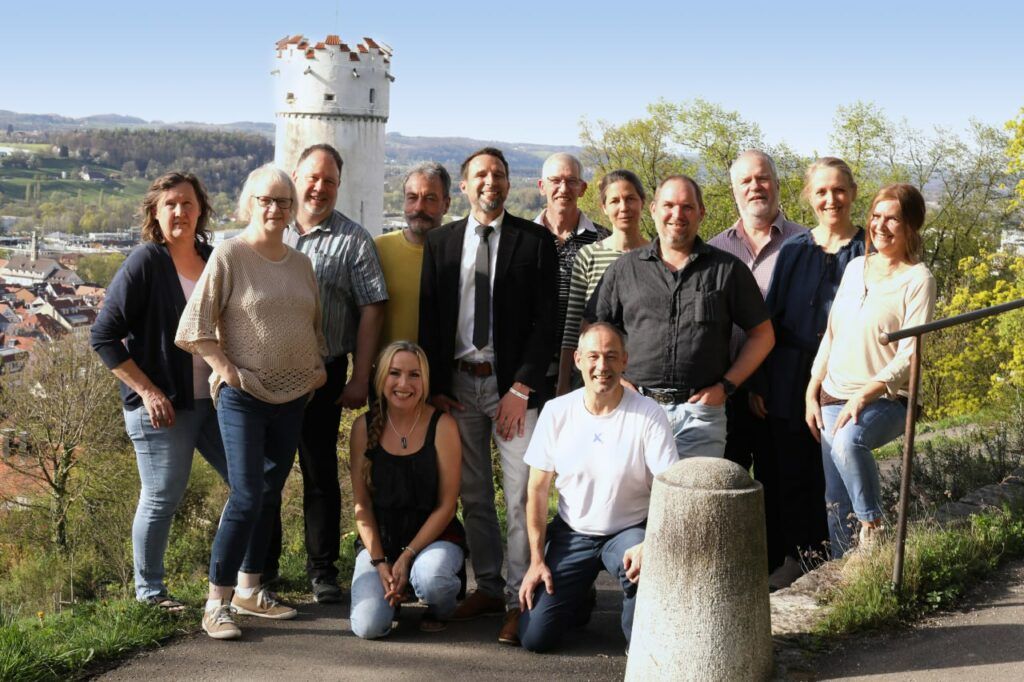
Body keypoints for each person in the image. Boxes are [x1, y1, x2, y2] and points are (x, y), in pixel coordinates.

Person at [176, 164, 327, 640]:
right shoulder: (230, 255)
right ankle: (216, 603)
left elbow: (312, 325)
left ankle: (249, 589)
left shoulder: (301, 264)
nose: (274, 208)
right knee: (245, 495)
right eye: (265, 199)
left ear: (292, 208)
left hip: (293, 396)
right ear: (249, 203)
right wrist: (226, 370)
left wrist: (316, 368)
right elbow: (195, 326)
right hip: (242, 397)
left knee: (268, 494)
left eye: (283, 201)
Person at [418, 147, 558, 645]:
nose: (490, 181)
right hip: (458, 387)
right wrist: (435, 388)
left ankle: (520, 600)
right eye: (480, 174)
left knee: (522, 495)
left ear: (508, 183)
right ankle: (489, 588)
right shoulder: (441, 242)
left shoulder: (535, 241)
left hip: (513, 388)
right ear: (464, 186)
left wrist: (521, 387)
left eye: (498, 174)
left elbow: (549, 323)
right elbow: (429, 317)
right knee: (473, 493)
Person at [90, 172, 228, 611]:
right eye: (170, 204)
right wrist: (149, 392)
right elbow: (103, 337)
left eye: (187, 203)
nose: (180, 211)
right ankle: (150, 594)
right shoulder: (146, 262)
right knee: (162, 495)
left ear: (201, 210)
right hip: (164, 406)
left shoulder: (214, 259)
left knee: (251, 484)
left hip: (215, 401)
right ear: (155, 211)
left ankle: (233, 579)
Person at [265, 143, 388, 603]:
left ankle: (322, 572)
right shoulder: (269, 229)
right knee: (268, 474)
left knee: (319, 472)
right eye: (312, 178)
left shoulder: (354, 240)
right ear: (295, 177)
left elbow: (373, 307)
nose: (319, 187)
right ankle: (263, 571)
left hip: (325, 372)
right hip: (267, 375)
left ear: (339, 186)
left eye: (329, 181)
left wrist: (360, 377)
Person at [517, 323, 678, 652]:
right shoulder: (557, 412)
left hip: (630, 530)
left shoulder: (649, 414)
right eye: (593, 356)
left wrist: (651, 543)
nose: (602, 366)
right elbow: (536, 490)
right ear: (577, 359)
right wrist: (536, 561)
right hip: (573, 532)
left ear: (625, 361)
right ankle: (578, 596)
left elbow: (670, 488)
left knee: (643, 572)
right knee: (535, 638)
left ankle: (640, 645)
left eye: (611, 356)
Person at [588, 175, 774, 458]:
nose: (677, 214)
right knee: (633, 489)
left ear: (701, 213)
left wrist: (726, 387)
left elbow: (763, 335)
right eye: (669, 205)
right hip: (632, 408)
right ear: (654, 210)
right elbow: (593, 331)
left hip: (700, 415)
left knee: (697, 489)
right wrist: (618, 382)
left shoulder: (727, 269)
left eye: (687, 207)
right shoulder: (624, 270)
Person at [805, 183, 936, 558]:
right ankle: (846, 574)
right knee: (835, 499)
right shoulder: (855, 267)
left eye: (892, 219)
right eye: (876, 216)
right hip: (832, 394)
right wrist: (812, 387)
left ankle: (873, 526)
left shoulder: (919, 279)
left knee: (849, 442)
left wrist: (866, 393)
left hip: (887, 399)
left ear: (911, 226)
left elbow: (909, 355)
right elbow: (832, 333)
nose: (880, 225)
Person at [762, 157, 864, 584]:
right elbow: (770, 318)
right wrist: (761, 382)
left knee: (838, 470)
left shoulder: (868, 250)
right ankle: (799, 559)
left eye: (838, 190)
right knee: (792, 471)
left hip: (843, 375)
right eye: (821, 191)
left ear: (853, 193)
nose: (830, 199)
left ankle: (846, 558)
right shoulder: (794, 249)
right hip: (789, 374)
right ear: (809, 196)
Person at [707, 150, 807, 579]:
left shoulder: (803, 243)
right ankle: (727, 570)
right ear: (734, 191)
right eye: (745, 181)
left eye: (762, 178)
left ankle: (778, 571)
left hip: (779, 390)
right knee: (723, 482)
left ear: (777, 184)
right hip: (723, 388)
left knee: (779, 481)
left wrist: (764, 383)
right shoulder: (714, 248)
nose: (755, 187)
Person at [348, 342, 465, 638]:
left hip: (433, 541)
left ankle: (439, 605)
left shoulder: (443, 425)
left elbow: (447, 505)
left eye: (414, 375)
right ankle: (393, 593)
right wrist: (380, 563)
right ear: (381, 378)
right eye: (395, 373)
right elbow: (362, 506)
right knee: (368, 626)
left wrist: (407, 556)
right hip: (380, 545)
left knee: (431, 579)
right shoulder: (363, 427)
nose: (404, 384)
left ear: (425, 381)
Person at [556, 169, 648, 397]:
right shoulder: (589, 256)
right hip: (595, 377)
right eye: (615, 201)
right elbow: (573, 325)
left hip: (643, 379)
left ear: (643, 202)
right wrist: (563, 384)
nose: (624, 207)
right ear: (604, 207)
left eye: (630, 199)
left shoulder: (657, 256)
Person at [534, 153, 609, 401]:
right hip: (532, 367)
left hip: (586, 371)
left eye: (571, 181)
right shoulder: (524, 239)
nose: (563, 188)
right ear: (542, 186)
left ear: (583, 188)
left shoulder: (603, 240)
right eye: (555, 180)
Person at [375, 162, 451, 349]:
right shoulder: (378, 249)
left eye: (430, 198)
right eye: (412, 197)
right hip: (387, 366)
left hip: (440, 367)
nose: (419, 207)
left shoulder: (459, 254)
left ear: (446, 204)